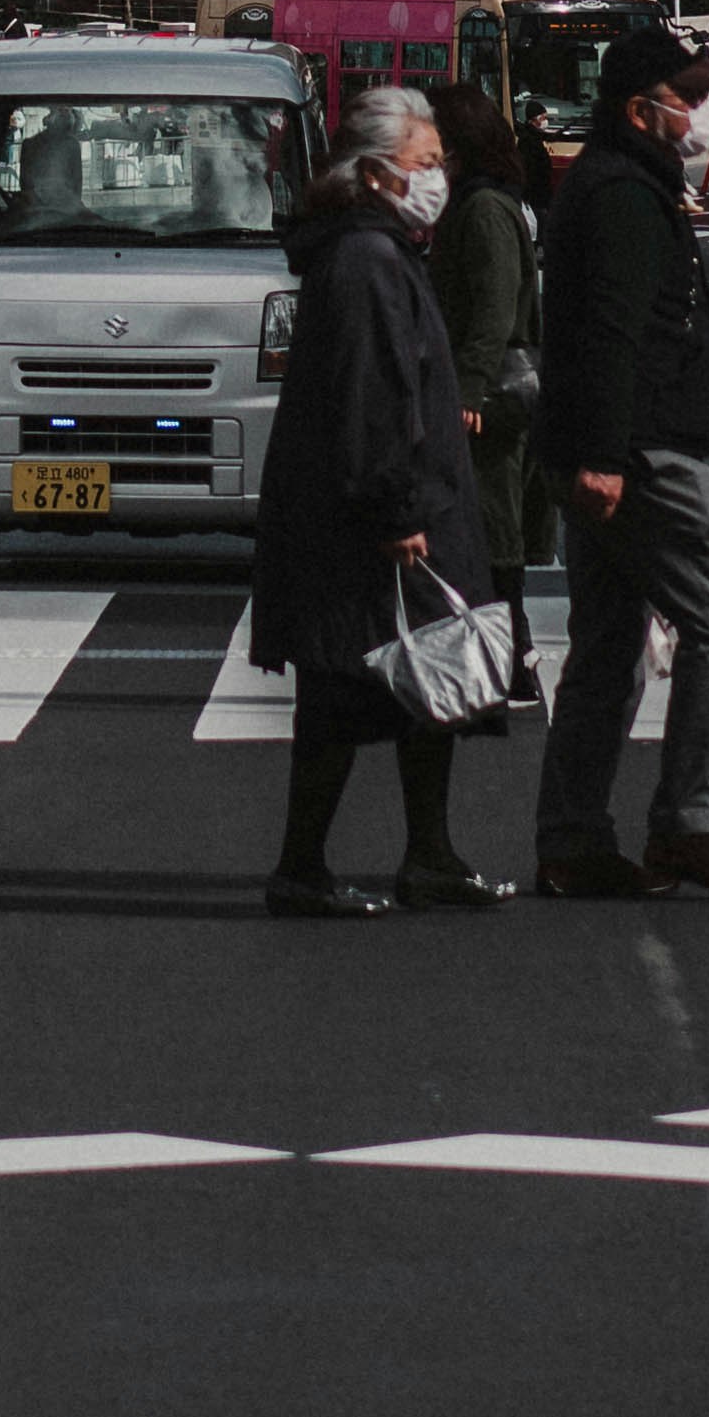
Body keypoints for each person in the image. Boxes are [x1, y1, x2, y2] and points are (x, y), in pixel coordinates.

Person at [533, 16, 709, 902]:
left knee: (607, 644)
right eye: (688, 99)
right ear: (641, 110)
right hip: (641, 447)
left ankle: (572, 839)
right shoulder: (626, 196)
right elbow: (613, 333)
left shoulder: (613, 183)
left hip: (609, 442)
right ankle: (689, 823)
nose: (700, 117)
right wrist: (605, 453)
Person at [249, 82, 511, 916]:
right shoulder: (365, 258)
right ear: (374, 171)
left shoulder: (377, 247)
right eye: (422, 162)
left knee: (417, 685)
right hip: (372, 518)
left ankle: (425, 855)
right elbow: (372, 395)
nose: (436, 175)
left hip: (381, 506)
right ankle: (303, 866)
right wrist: (397, 511)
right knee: (345, 690)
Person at [427, 83, 547, 685]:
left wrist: (469, 390)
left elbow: (495, 312)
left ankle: (514, 657)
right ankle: (508, 655)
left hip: (493, 396)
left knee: (494, 530)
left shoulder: (483, 210)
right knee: (487, 529)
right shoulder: (483, 204)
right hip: (488, 390)